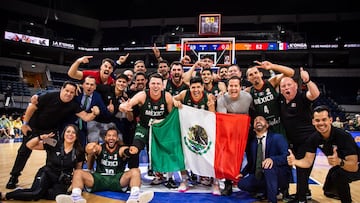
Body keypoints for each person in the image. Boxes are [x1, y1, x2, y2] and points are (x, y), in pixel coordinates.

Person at [6, 81, 100, 189]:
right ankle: (14, 177)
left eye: (72, 92)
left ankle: (49, 177)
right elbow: (32, 107)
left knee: (52, 151)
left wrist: (94, 113)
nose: (68, 94)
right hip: (33, 128)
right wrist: (25, 124)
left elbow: (86, 117)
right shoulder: (49, 96)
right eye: (67, 91)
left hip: (50, 132)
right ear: (61, 89)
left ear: (75, 94)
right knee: (23, 151)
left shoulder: (73, 105)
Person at [55, 127, 154, 203]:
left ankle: (134, 197)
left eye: (114, 136)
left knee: (135, 171)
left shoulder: (120, 148)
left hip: (117, 179)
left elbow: (125, 151)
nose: (111, 137)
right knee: (78, 172)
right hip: (99, 179)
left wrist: (129, 151)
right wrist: (91, 147)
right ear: (105, 138)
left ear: (117, 138)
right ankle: (76, 197)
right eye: (109, 135)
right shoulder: (100, 148)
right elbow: (89, 148)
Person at [287, 105, 360, 203]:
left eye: (324, 119)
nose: (321, 123)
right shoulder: (314, 138)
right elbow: (308, 162)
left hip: (355, 165)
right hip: (340, 165)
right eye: (317, 120)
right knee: (328, 189)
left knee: (338, 175)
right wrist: (295, 161)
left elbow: (354, 167)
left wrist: (339, 162)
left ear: (330, 120)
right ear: (313, 122)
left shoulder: (343, 136)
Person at [1, 124, 85, 201]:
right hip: (47, 173)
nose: (70, 134)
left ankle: (28, 192)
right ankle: (5, 195)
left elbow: (78, 170)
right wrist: (40, 137)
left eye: (73, 133)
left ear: (77, 136)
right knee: (36, 193)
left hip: (61, 179)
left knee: (56, 196)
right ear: (64, 133)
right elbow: (29, 145)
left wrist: (73, 185)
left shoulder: (79, 151)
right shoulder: (54, 142)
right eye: (68, 131)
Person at [279, 67, 320, 203]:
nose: (286, 88)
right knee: (299, 169)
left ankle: (301, 199)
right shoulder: (281, 101)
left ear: (296, 86)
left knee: (302, 170)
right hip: (293, 142)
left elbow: (314, 94)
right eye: (283, 86)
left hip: (307, 140)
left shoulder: (302, 97)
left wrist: (307, 80)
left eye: (289, 84)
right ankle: (305, 193)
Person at [173, 76, 217, 194]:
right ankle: (184, 179)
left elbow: (212, 117)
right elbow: (171, 99)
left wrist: (211, 106)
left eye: (198, 87)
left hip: (204, 130)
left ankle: (214, 181)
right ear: (190, 87)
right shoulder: (184, 94)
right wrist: (175, 101)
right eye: (193, 87)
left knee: (210, 152)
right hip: (187, 129)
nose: (196, 90)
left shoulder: (208, 97)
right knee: (180, 149)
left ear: (203, 87)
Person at [119, 73, 173, 169]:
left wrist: (162, 122)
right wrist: (123, 106)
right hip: (143, 127)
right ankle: (133, 171)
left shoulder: (167, 96)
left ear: (162, 86)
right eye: (153, 83)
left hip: (160, 128)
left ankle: (158, 172)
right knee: (134, 149)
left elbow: (171, 117)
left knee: (161, 151)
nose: (155, 86)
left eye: (158, 84)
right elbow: (127, 104)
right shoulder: (142, 95)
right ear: (148, 84)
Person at [236, 116, 289, 203]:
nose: (258, 121)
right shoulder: (252, 143)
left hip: (278, 174)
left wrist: (273, 160)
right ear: (253, 128)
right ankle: (267, 191)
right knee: (242, 184)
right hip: (260, 175)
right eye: (255, 120)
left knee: (268, 167)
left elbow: (286, 156)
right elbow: (251, 163)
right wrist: (242, 173)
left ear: (267, 125)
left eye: (261, 119)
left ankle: (272, 199)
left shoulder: (277, 137)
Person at [216, 75, 253, 196]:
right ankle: (228, 183)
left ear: (240, 87)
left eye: (235, 86)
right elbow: (223, 120)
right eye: (231, 86)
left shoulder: (248, 98)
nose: (233, 88)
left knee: (252, 154)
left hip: (246, 131)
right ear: (227, 87)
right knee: (228, 157)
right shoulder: (222, 99)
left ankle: (253, 180)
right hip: (229, 131)